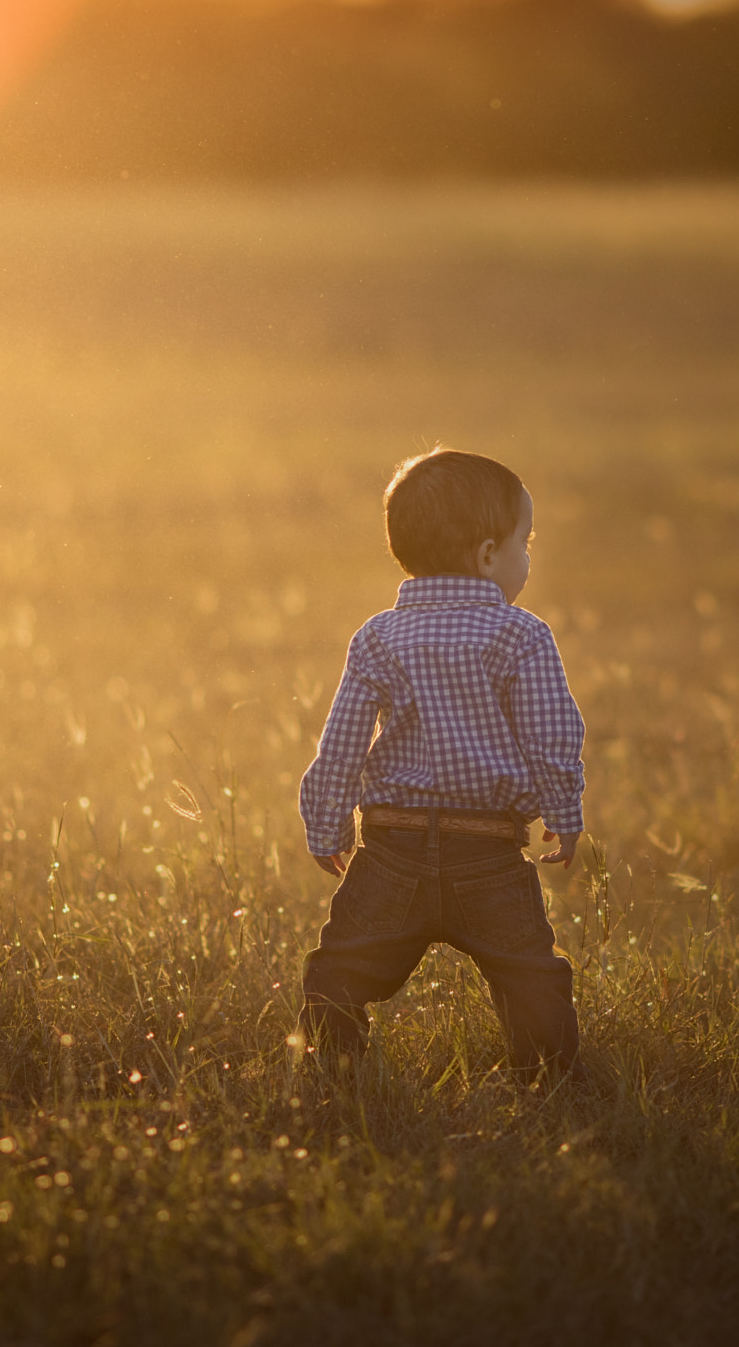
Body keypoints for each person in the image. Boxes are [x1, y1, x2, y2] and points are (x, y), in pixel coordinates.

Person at [297, 447, 585, 1082]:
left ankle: (330, 1063)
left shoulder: (377, 636)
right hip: (488, 854)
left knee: (341, 967)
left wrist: (326, 824)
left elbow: (341, 741)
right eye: (524, 542)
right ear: (487, 555)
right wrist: (564, 811)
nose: (528, 557)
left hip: (390, 850)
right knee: (531, 974)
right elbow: (551, 737)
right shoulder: (522, 635)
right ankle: (551, 1079)